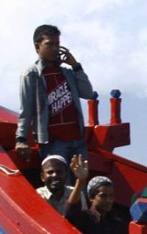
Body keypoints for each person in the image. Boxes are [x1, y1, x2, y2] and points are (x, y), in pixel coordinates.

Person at [15, 24, 94, 166]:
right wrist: (20, 140)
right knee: (62, 185)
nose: (55, 49)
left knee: (81, 183)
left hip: (77, 140)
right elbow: (25, 110)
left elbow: (88, 93)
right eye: (49, 44)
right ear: (37, 47)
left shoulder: (67, 72)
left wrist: (76, 66)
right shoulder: (31, 74)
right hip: (53, 144)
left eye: (57, 44)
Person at [63, 156, 129, 234]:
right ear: (91, 198)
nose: (108, 200)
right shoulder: (84, 219)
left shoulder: (118, 225)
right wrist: (80, 181)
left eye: (111, 196)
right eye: (103, 196)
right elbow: (70, 211)